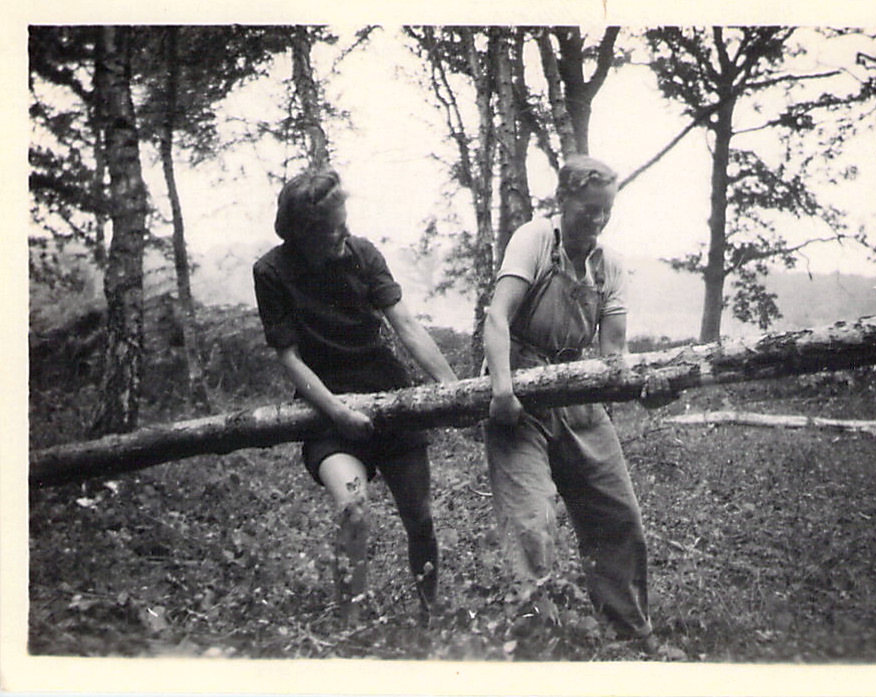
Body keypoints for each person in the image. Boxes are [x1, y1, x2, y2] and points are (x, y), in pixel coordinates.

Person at [253, 169, 457, 625]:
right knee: (352, 506)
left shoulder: (364, 254)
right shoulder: (270, 272)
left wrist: (452, 388)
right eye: (331, 232)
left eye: (345, 224)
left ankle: (430, 614)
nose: (343, 236)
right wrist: (338, 413)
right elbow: (289, 358)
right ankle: (352, 626)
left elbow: (406, 326)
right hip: (325, 411)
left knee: (419, 519)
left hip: (392, 401)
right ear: (301, 233)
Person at [483, 155, 665, 648]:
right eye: (589, 210)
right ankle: (534, 641)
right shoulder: (536, 240)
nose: (598, 221)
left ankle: (631, 631)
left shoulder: (610, 267)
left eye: (606, 211)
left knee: (618, 515)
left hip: (579, 389)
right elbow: (497, 317)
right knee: (532, 523)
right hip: (520, 391)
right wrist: (502, 390)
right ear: (563, 201)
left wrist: (645, 388)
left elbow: (612, 355)